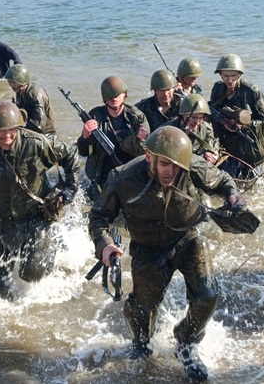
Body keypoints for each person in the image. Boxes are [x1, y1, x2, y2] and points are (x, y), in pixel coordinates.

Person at [88, 126, 245, 381]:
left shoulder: (190, 164)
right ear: (148, 156)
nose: (170, 171)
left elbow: (222, 181)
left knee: (208, 294)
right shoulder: (122, 178)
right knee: (142, 309)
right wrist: (104, 245)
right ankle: (141, 346)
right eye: (163, 164)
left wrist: (233, 196)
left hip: (187, 238)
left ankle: (186, 343)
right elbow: (98, 216)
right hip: (147, 249)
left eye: (175, 165)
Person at [0, 101, 79, 289]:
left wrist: (69, 188)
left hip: (36, 217)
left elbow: (70, 155)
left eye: (11, 129)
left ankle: (50, 249)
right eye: (0, 130)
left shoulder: (36, 143)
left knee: (31, 273)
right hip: (2, 221)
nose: (7, 135)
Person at [77, 76, 149, 200]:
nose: (114, 98)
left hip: (130, 170)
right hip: (102, 173)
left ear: (124, 94)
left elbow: (147, 153)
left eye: (117, 94)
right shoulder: (95, 116)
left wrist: (142, 139)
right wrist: (85, 135)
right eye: (110, 96)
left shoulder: (136, 116)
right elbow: (83, 152)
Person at [208, 53, 264, 180]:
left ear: (240, 74)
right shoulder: (218, 89)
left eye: (233, 75)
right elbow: (213, 113)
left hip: (252, 152)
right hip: (228, 150)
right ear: (220, 75)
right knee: (224, 184)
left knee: (255, 187)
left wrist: (243, 126)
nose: (229, 80)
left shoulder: (252, 92)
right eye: (225, 76)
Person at [164, 93, 219, 165]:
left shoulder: (205, 128)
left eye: (200, 118)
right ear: (183, 115)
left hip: (199, 166)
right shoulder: (168, 130)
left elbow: (212, 142)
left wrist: (213, 153)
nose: (197, 122)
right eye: (193, 117)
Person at [5, 64, 57, 135]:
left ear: (21, 81)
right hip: (31, 127)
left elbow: (39, 124)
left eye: (14, 82)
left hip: (46, 134)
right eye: (9, 82)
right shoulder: (20, 91)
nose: (11, 85)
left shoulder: (35, 95)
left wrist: (20, 129)